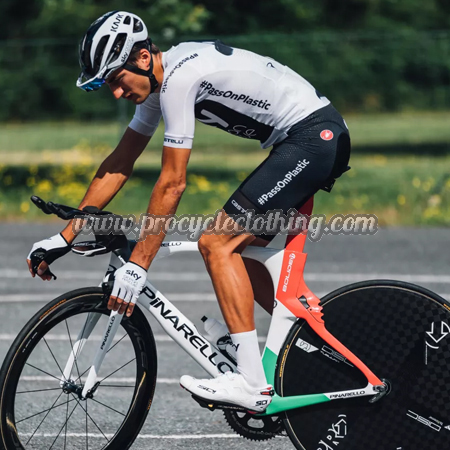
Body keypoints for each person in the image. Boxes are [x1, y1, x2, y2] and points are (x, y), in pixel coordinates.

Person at [26, 10, 351, 413]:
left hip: (312, 139)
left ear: (143, 57)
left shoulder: (181, 77)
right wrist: (65, 236)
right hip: (306, 141)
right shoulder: (157, 91)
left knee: (216, 243)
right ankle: (326, 352)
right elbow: (119, 164)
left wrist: (139, 263)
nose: (115, 92)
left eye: (115, 79)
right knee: (244, 254)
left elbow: (172, 181)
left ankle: (252, 384)